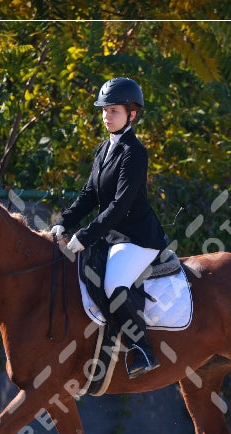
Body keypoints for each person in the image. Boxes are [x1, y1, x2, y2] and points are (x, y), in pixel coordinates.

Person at [50, 77, 168, 378]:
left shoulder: (134, 153)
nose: (106, 116)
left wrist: (85, 236)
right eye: (104, 110)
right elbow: (90, 195)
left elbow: (120, 205)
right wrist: (63, 222)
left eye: (113, 110)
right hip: (112, 236)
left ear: (132, 114)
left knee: (114, 285)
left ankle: (143, 348)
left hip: (138, 238)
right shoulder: (104, 148)